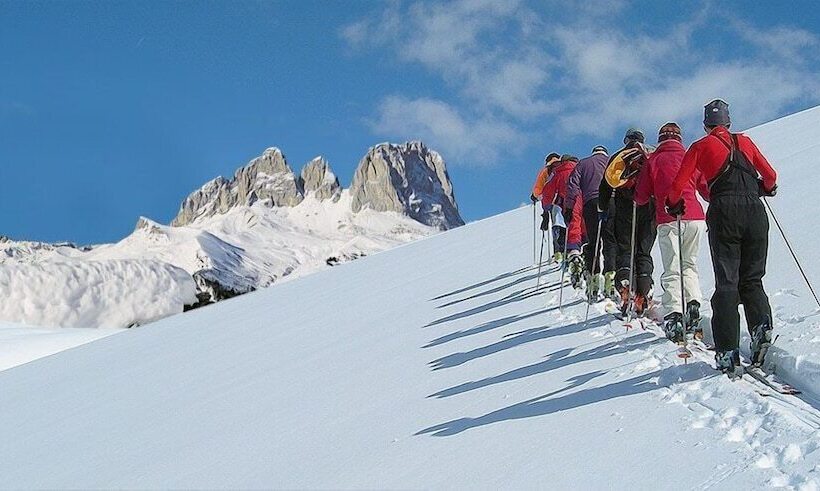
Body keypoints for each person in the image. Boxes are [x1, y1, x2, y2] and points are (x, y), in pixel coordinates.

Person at [666, 99, 778, 377]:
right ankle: (760, 327)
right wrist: (763, 188)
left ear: (706, 125)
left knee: (727, 283)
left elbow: (677, 188)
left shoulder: (700, 147)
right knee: (752, 278)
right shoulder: (746, 143)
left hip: (724, 211)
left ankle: (728, 351)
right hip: (755, 211)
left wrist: (673, 204)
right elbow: (771, 177)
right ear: (728, 123)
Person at [634, 123, 709, 341]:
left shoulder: (654, 160)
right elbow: (704, 187)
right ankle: (693, 303)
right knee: (689, 264)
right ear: (679, 139)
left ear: (660, 140)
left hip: (668, 219)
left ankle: (675, 313)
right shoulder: (688, 156)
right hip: (695, 216)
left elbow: (640, 196)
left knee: (672, 268)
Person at [599, 129, 657, 316]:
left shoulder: (618, 156)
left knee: (626, 248)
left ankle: (625, 282)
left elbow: (606, 184)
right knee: (643, 251)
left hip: (625, 207)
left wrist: (603, 208)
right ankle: (644, 288)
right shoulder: (650, 153)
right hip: (648, 207)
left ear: (626, 140)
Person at [567, 145, 616, 299]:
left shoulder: (582, 163)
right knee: (610, 241)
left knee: (593, 242)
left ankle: (593, 277)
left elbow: (573, 185)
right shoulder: (611, 162)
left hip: (591, 203)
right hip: (611, 202)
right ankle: (610, 275)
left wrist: (569, 207)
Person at [542, 154, 580, 263]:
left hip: (562, 203)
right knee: (581, 227)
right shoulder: (580, 169)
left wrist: (546, 207)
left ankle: (564, 252)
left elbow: (543, 189)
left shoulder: (554, 171)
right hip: (585, 201)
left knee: (562, 227)